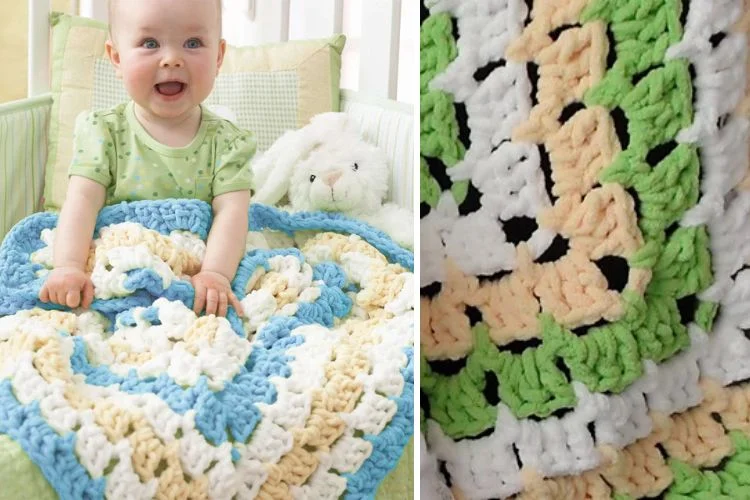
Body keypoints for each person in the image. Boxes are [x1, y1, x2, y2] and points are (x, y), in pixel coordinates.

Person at [39, 0, 252, 318]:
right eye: (150, 43)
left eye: (193, 43)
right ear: (117, 57)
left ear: (219, 56)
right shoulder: (104, 132)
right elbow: (81, 202)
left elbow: (233, 214)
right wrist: (68, 265)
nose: (172, 59)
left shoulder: (228, 143)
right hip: (118, 266)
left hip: (190, 273)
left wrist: (216, 274)